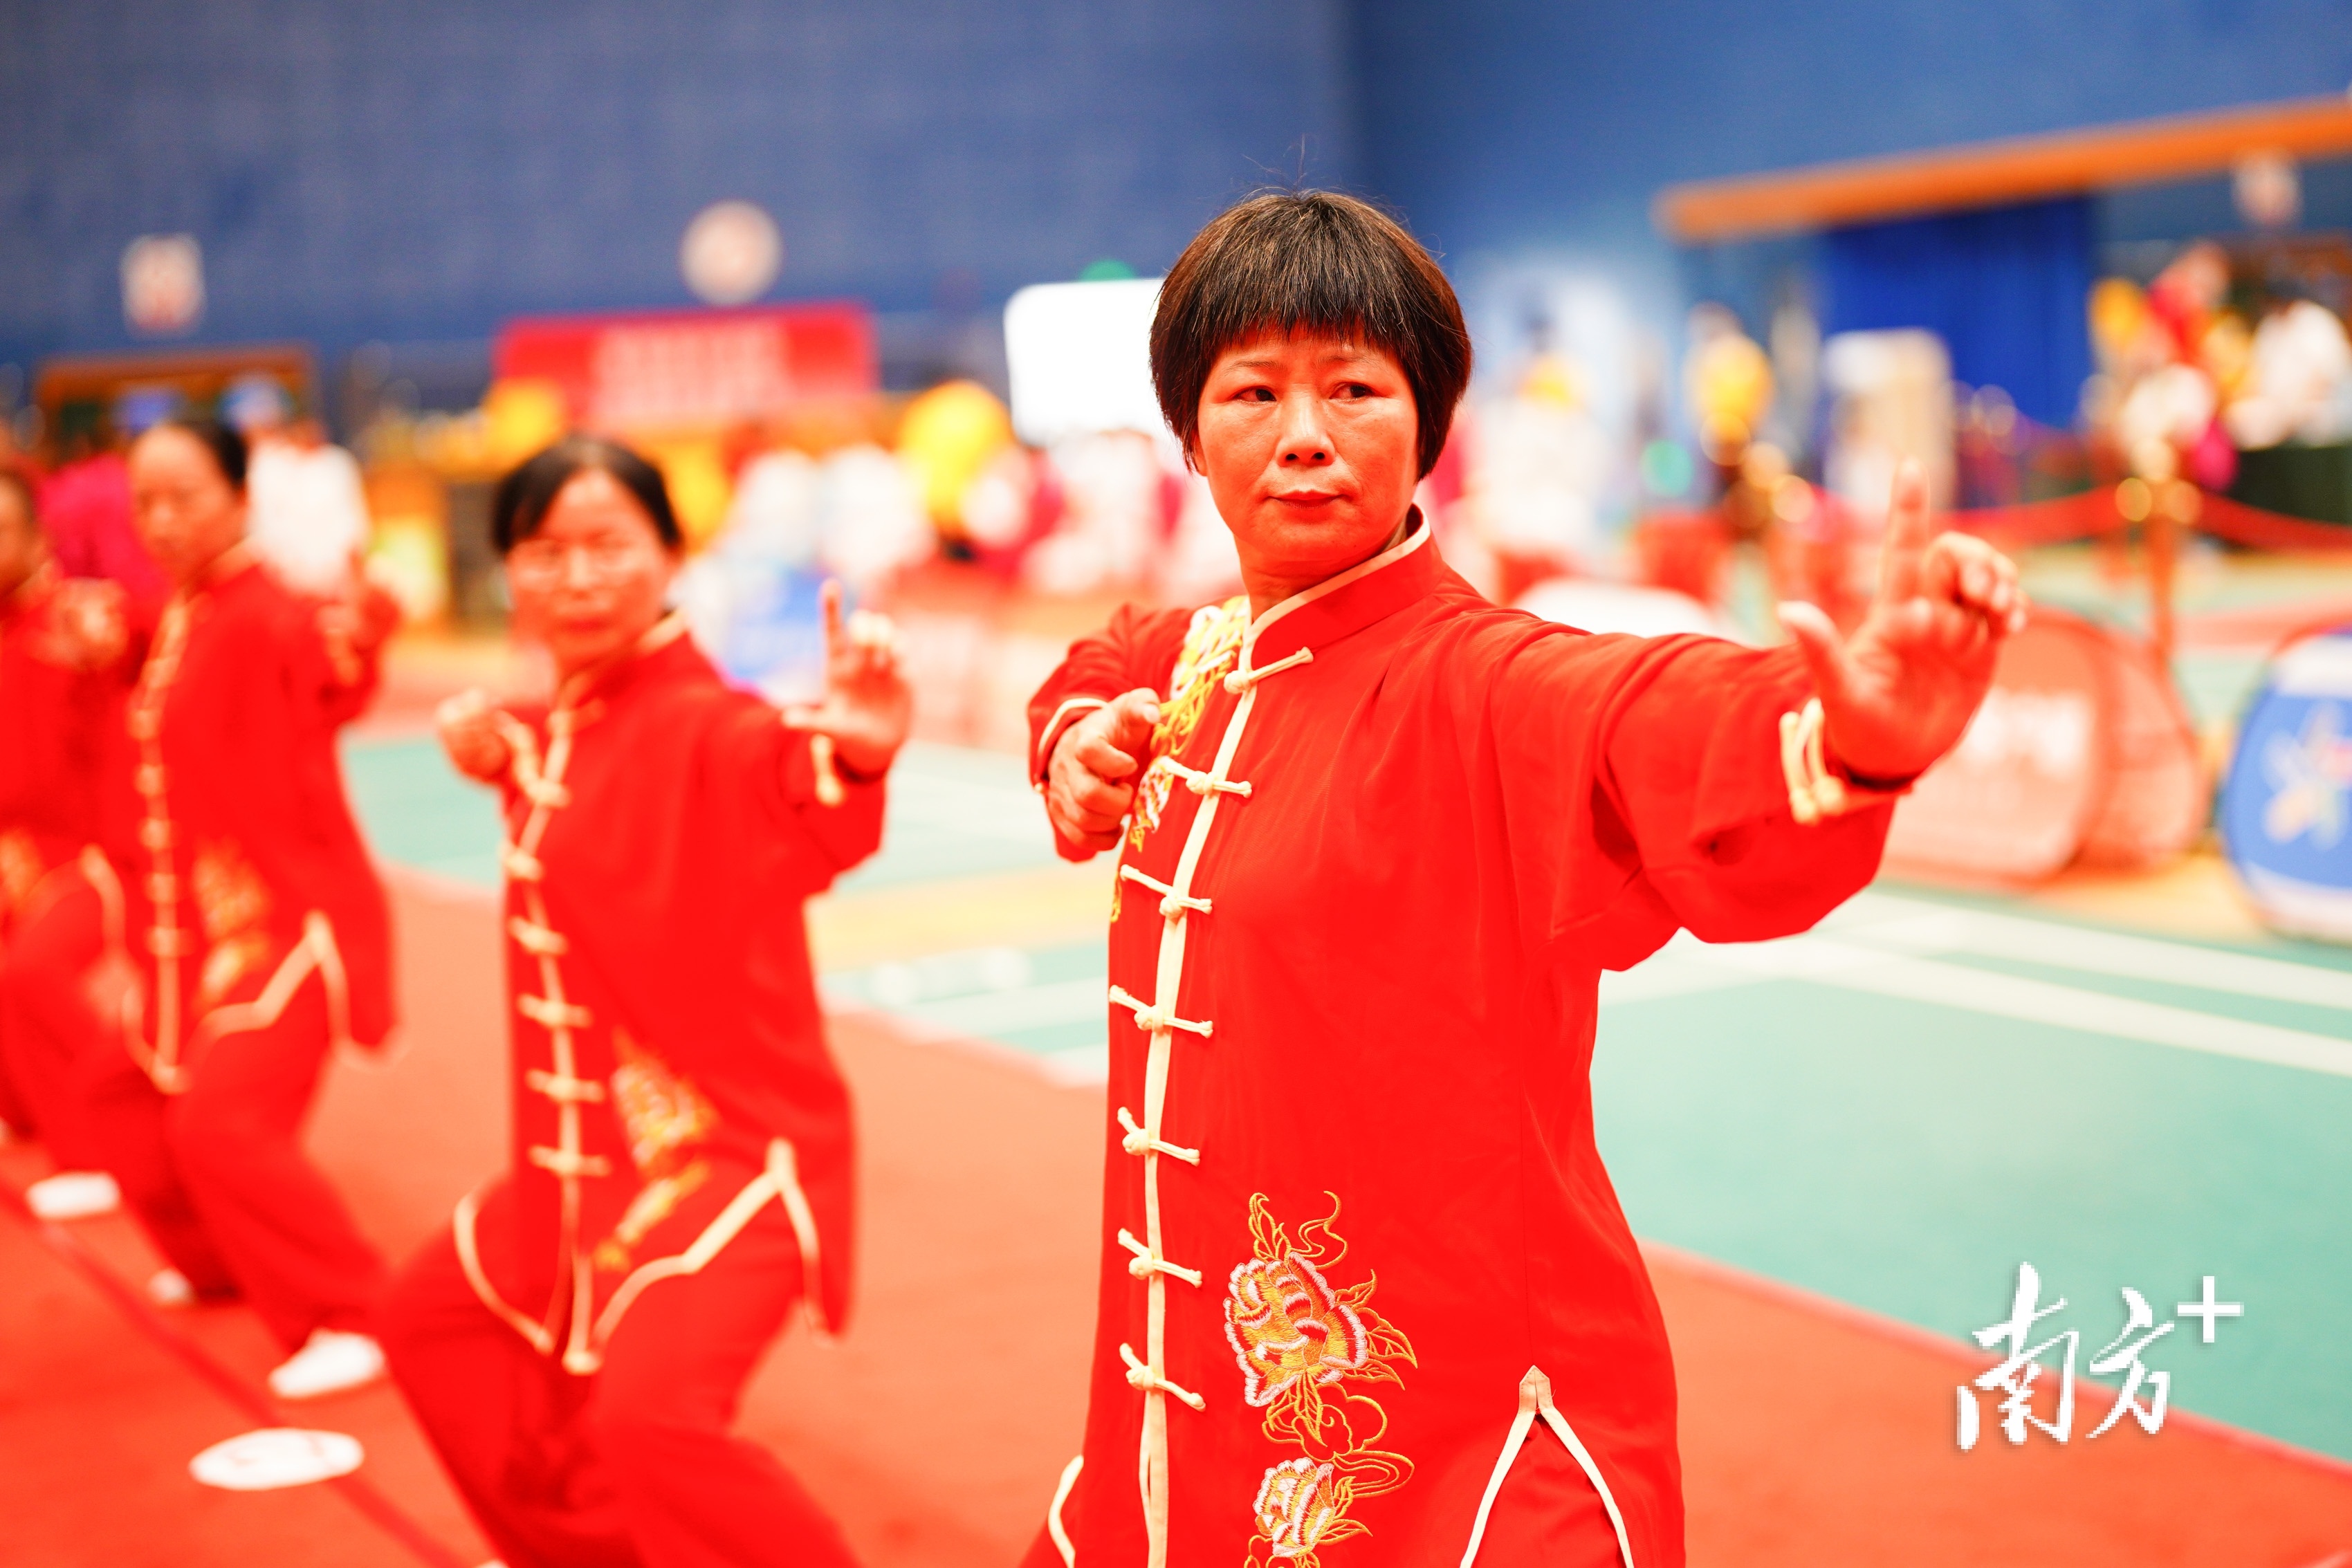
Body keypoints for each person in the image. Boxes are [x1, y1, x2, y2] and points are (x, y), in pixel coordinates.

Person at [1018, 192, 2025, 1568]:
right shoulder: (1187, 657)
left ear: (1429, 423)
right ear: (1189, 434)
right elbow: (1097, 664)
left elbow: (1649, 708)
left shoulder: (1485, 681)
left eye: (1354, 389)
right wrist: (1074, 742)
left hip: (1465, 1438)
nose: (1303, 433)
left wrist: (1844, 735)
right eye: (1252, 391)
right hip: (1178, 1414)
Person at [379, 435, 911, 1568]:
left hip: (732, 1148)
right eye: (544, 552)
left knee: (649, 1419)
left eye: (609, 545)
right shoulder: (572, 719)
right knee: (431, 1324)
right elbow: (588, 790)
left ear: (672, 554)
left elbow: (780, 774)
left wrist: (855, 757)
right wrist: (504, 751)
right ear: (506, 570)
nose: (577, 578)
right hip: (585, 1157)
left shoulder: (703, 721)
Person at [80, 416, 400, 1395]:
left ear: (239, 496)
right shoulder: (187, 609)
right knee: (116, 1092)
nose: (163, 519)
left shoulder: (270, 612)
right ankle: (219, 1257)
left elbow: (330, 665)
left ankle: (350, 1311)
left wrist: (362, 632)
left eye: (186, 496)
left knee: (222, 1122)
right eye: (146, 501)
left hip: (292, 920)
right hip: (201, 934)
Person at [0, 466, 136, 1219]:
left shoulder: (77, 618)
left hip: (97, 857)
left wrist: (104, 649)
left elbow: (133, 640)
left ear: (38, 537)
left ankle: (110, 1142)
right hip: (18, 853)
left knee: (34, 969)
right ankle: (20, 1104)